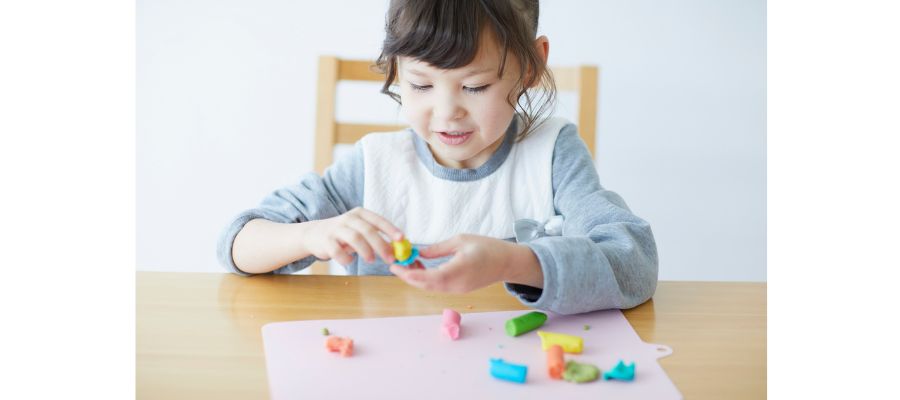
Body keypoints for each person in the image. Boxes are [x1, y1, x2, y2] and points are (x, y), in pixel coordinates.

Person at [217, 0, 658, 314]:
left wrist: (512, 262)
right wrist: (312, 235)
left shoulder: (552, 155)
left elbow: (634, 264)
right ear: (396, 71)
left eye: (476, 86)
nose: (447, 113)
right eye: (421, 86)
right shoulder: (375, 165)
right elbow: (236, 244)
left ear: (530, 67)